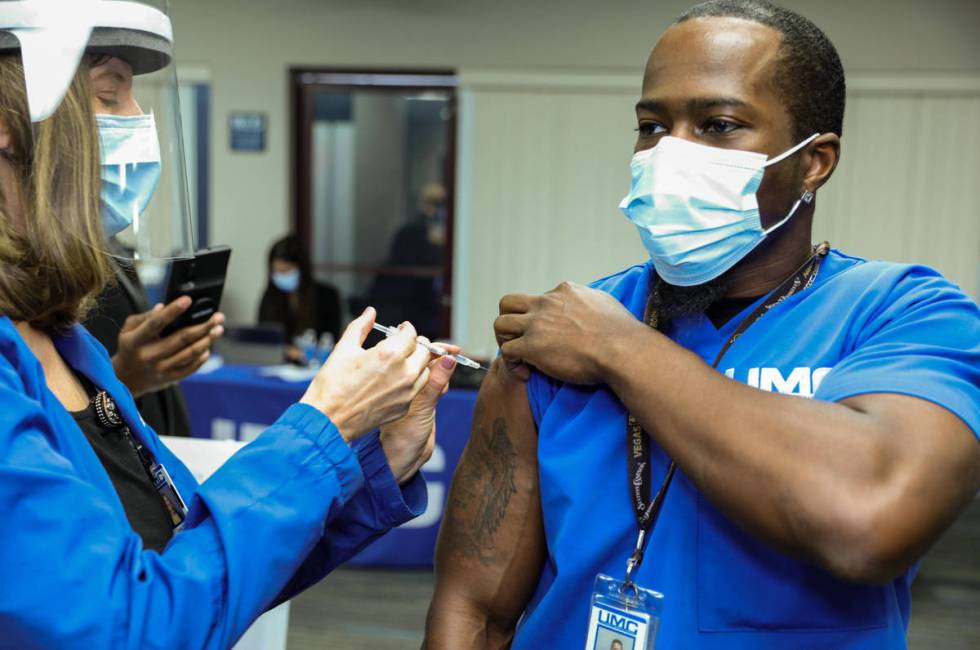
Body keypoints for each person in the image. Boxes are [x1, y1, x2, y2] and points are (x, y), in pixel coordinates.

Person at [425, 2, 980, 649]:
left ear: (815, 161)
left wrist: (617, 348)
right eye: (652, 125)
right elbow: (474, 608)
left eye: (718, 125)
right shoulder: (557, 331)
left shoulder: (905, 314)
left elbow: (867, 519)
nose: (669, 155)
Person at [0, 2, 456, 648]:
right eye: (109, 94)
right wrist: (321, 427)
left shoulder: (70, 348)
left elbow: (212, 556)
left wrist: (376, 457)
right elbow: (130, 625)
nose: (138, 121)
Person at [258, 234, 342, 362]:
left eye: (286, 270)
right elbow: (263, 336)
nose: (281, 276)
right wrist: (287, 351)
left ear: (302, 268)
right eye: (277, 271)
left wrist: (310, 352)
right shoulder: (270, 296)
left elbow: (332, 338)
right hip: (279, 365)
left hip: (318, 365)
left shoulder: (327, 296)